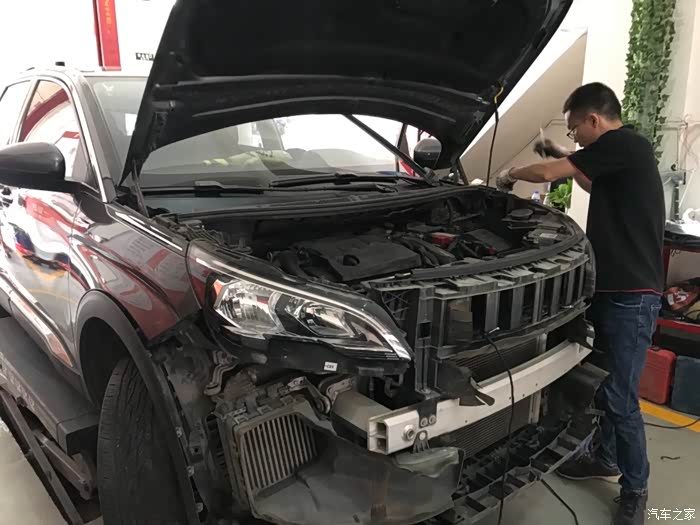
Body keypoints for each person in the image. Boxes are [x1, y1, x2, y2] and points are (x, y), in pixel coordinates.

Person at [496, 82, 665, 525]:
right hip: (612, 290)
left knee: (622, 397)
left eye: (574, 131)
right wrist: (564, 155)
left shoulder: (625, 143)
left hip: (632, 297)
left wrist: (510, 175)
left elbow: (549, 173)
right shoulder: (618, 155)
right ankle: (604, 457)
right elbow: (589, 181)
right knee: (604, 385)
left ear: (594, 119)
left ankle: (636, 489)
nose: (575, 138)